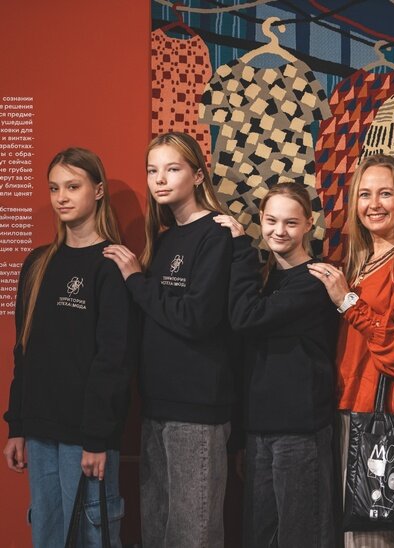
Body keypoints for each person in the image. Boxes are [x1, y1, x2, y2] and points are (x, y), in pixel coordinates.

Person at [103, 132, 235, 548]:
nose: (159, 179)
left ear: (197, 175)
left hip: (196, 410)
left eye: (172, 169)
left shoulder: (215, 234)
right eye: (152, 170)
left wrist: (136, 281)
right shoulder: (163, 237)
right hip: (156, 406)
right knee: (157, 532)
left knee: (192, 535)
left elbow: (195, 318)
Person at [3, 148, 133, 547]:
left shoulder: (111, 264)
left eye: (72, 187)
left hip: (85, 437)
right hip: (40, 432)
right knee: (48, 536)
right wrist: (17, 426)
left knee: (90, 537)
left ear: (98, 190)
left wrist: (97, 438)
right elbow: (24, 352)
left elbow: (114, 360)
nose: (61, 197)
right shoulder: (38, 263)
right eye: (54, 188)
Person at [308, 154, 394, 548]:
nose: (374, 204)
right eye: (365, 195)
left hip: (382, 420)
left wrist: (348, 303)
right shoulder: (361, 262)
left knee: (371, 541)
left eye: (385, 193)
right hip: (349, 411)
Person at [215, 183, 338, 547]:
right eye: (271, 221)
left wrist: (241, 248)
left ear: (309, 224)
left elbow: (247, 318)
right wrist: (243, 437)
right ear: (261, 219)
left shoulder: (316, 279)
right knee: (260, 537)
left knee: (301, 537)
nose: (278, 231)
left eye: (290, 222)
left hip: (300, 431)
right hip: (259, 430)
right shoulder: (264, 278)